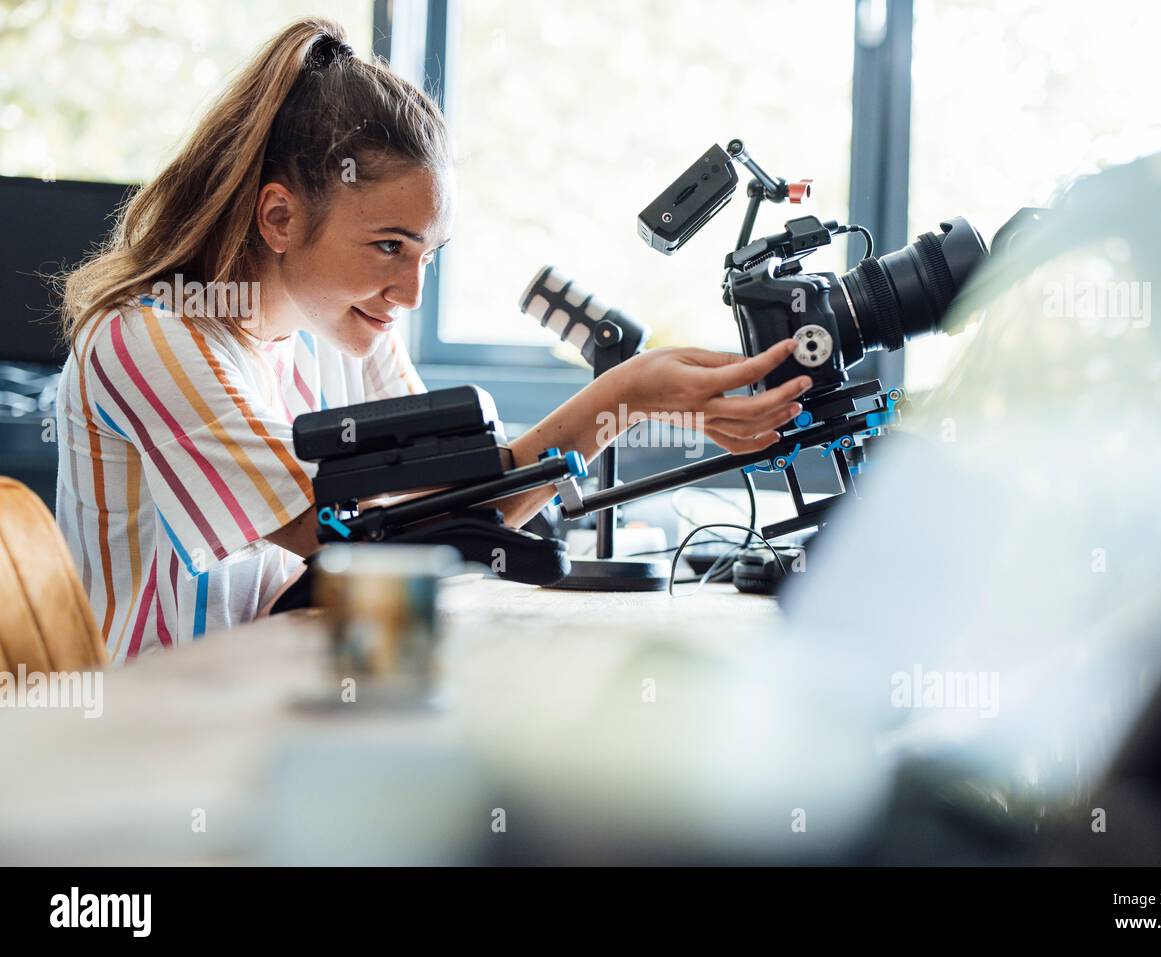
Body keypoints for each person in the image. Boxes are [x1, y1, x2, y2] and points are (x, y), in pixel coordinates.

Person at [55, 18, 811, 664]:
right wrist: (622, 396)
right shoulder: (147, 339)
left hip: (276, 704)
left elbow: (461, 514)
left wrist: (630, 401)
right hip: (153, 741)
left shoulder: (345, 329)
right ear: (280, 218)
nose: (410, 294)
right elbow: (370, 548)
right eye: (388, 246)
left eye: (427, 257)